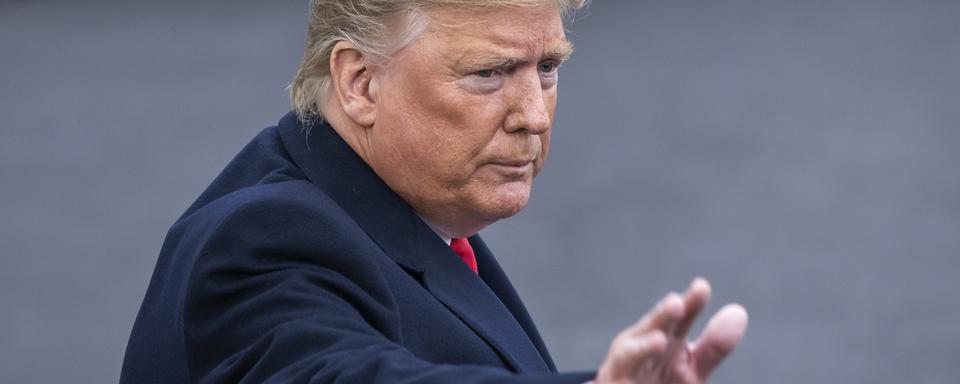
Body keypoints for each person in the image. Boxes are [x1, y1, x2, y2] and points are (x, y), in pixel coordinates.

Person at [120, 1, 749, 383]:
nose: (533, 114)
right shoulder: (264, 235)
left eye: (548, 68)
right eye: (489, 73)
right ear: (360, 83)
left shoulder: (409, 215)